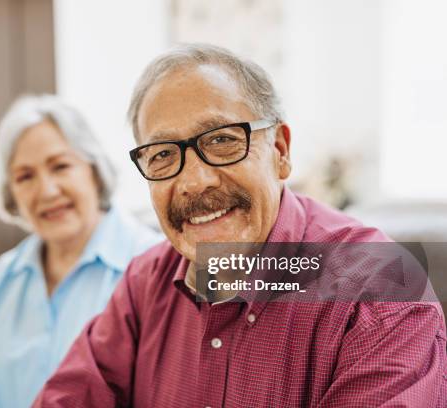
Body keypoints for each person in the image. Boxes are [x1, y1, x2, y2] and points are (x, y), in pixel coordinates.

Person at [34, 45, 447, 407]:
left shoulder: (382, 290)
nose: (195, 181)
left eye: (221, 140)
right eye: (161, 155)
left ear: (280, 151)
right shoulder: (146, 282)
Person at [0, 95, 162, 408]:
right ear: (11, 193)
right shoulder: (4, 276)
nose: (47, 191)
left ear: (93, 170)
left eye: (61, 166)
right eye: (25, 176)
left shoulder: (154, 264)